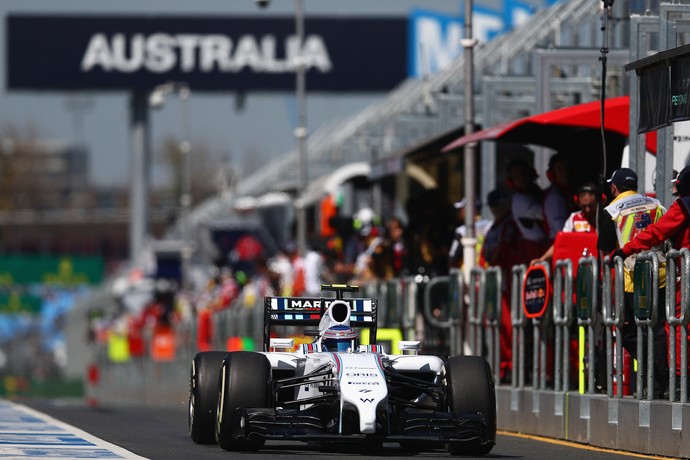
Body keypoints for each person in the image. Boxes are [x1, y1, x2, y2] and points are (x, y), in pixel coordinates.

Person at [612, 166, 690, 384]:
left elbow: (657, 232)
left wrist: (627, 249)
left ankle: (678, 379)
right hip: (670, 273)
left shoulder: (683, 206)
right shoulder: (659, 206)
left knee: (676, 324)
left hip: (682, 275)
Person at [597, 167, 668, 399]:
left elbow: (606, 250)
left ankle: (656, 375)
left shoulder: (610, 210)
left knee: (628, 330)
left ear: (614, 187)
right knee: (657, 330)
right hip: (660, 274)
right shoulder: (656, 204)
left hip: (632, 279)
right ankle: (659, 382)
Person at [531, 182, 598, 265]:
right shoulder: (573, 218)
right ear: (578, 202)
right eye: (584, 206)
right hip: (580, 264)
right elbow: (560, 242)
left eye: (590, 206)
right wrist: (542, 258)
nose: (587, 209)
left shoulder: (605, 217)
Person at [505, 158, 547, 264]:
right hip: (534, 247)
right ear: (511, 180)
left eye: (523, 173)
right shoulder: (519, 200)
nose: (521, 177)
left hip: (542, 245)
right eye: (516, 175)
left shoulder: (532, 192)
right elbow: (544, 213)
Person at [542, 153, 575, 244]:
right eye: (560, 170)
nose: (564, 173)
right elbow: (562, 229)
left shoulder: (567, 192)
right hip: (559, 242)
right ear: (552, 174)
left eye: (566, 169)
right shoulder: (554, 198)